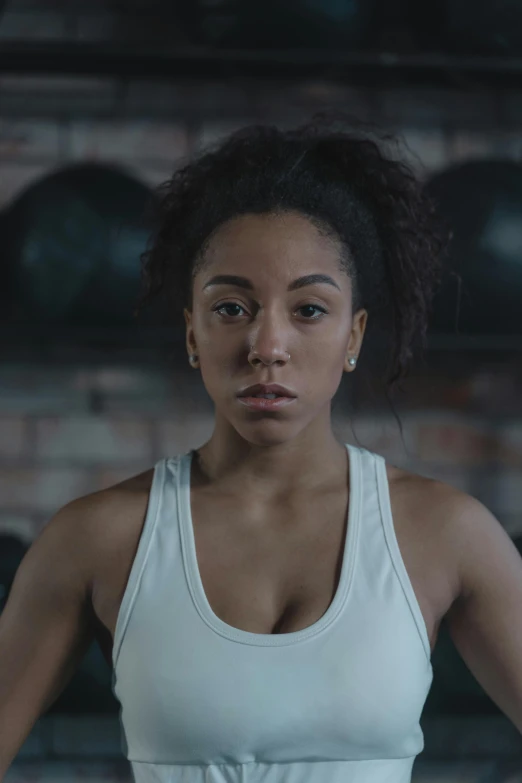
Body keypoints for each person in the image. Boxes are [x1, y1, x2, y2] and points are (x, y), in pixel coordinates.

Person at [1, 113, 522, 783]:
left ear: (354, 335)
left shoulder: (445, 534)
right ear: (192, 333)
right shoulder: (96, 539)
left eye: (308, 309)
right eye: (231, 308)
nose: (266, 346)